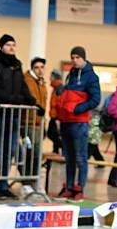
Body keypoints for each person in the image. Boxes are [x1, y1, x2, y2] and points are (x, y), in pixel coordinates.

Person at [0, 34, 36, 199]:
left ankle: (4, 183)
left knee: (9, 151)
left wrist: (31, 101)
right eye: (8, 45)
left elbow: (22, 86)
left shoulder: (17, 65)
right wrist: (16, 100)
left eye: (14, 44)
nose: (12, 47)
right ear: (2, 47)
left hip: (13, 115)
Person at [54, 46, 100, 201]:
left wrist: (77, 109)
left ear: (83, 58)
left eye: (77, 57)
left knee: (80, 157)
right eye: (72, 57)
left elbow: (95, 99)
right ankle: (69, 187)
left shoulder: (91, 77)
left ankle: (79, 188)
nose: (74, 60)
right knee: (69, 158)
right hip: (67, 122)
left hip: (79, 123)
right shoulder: (72, 75)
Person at [21, 57, 48, 185]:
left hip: (39, 123)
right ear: (32, 68)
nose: (40, 70)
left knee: (36, 155)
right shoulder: (28, 81)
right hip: (29, 123)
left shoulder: (42, 83)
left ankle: (32, 181)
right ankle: (27, 182)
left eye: (42, 67)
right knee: (30, 154)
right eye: (37, 67)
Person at [48, 69, 63, 154]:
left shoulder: (59, 89)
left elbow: (60, 105)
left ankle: (64, 148)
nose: (49, 78)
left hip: (56, 117)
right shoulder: (56, 88)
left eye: (51, 76)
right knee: (54, 134)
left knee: (52, 134)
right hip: (54, 116)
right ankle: (56, 151)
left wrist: (59, 118)